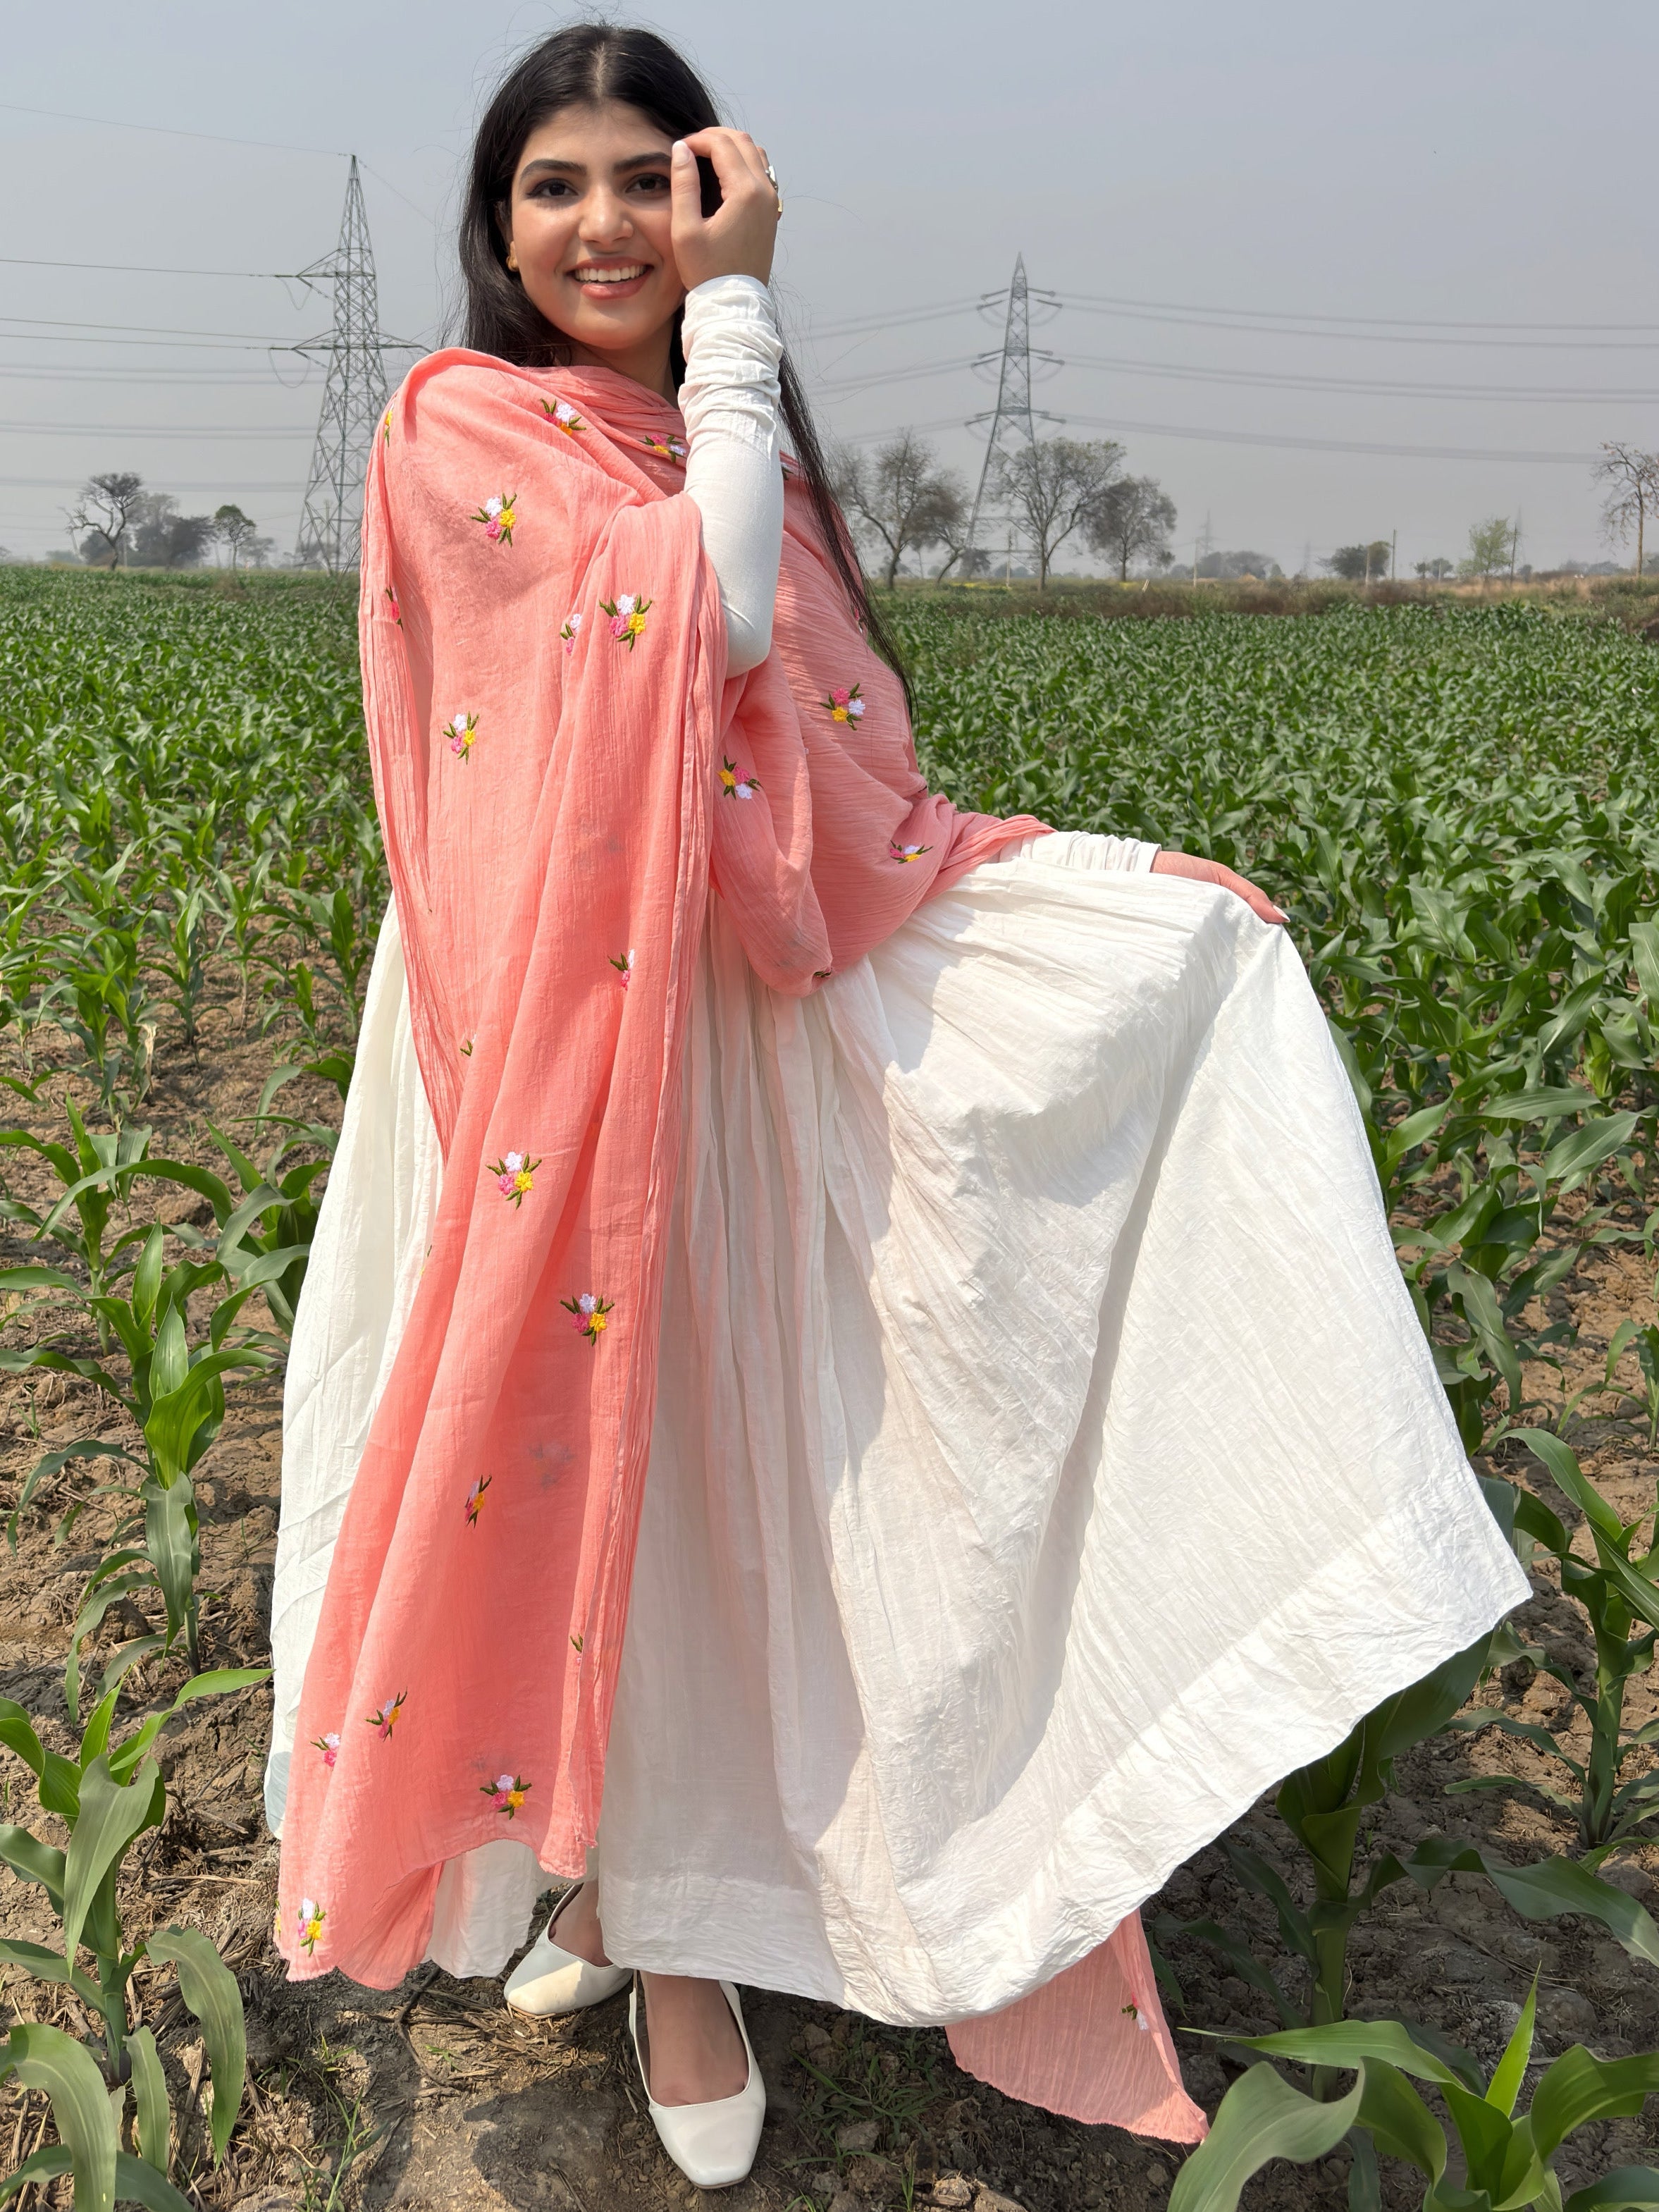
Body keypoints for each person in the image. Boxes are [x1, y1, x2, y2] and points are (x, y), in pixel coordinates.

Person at [266, 23, 1528, 2193]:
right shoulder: (465, 422)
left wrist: (1076, 892)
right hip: (554, 1034)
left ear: (704, 191)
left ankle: (673, 1882)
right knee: (613, 1468)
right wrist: (745, 304)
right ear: (493, 227)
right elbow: (709, 610)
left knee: (757, 1464)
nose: (603, 225)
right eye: (555, 185)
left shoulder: (693, 423)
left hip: (738, 1024)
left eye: (650, 185)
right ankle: (648, 1933)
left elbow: (828, 769)